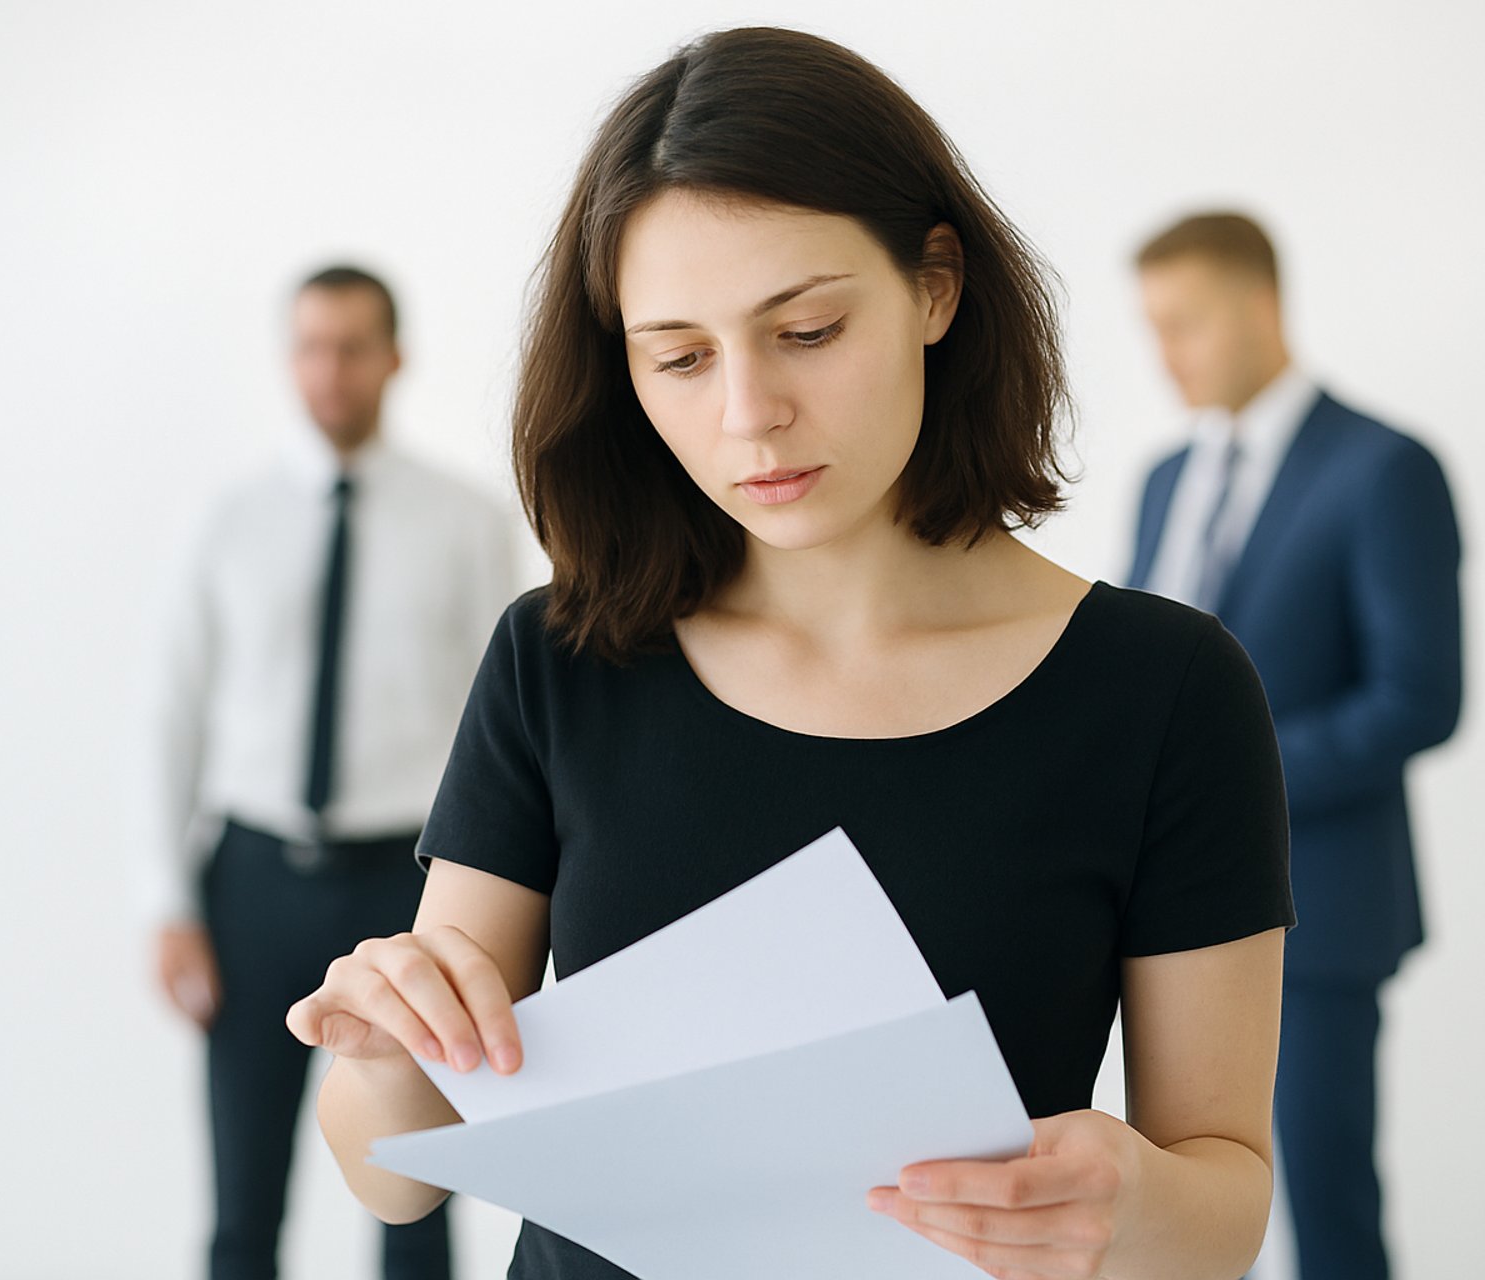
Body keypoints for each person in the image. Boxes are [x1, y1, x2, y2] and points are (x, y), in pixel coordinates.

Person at [287, 28, 1296, 1280]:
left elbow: (1224, 1196)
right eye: (681, 357)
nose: (747, 414)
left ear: (937, 284)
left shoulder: (1164, 689)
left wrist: (1135, 1203)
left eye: (807, 330)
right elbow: (391, 1173)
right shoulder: (563, 657)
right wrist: (385, 1048)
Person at [154, 264, 515, 1280]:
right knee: (243, 1197)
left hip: (406, 883)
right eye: (311, 345)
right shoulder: (224, 519)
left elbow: (505, 725)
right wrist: (167, 901)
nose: (331, 369)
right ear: (288, 359)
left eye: (353, 345)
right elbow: (171, 715)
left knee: (413, 1193)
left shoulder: (467, 522)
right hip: (253, 878)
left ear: (394, 358)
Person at [1127, 213, 1463, 1280]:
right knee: (1167, 1215)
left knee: (1328, 1206)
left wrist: (1229, 787)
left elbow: (1419, 696)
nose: (1163, 354)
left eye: (1182, 324)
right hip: (1159, 917)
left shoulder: (1383, 468)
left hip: (1321, 908)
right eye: (1152, 326)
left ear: (1259, 308)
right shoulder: (1165, 477)